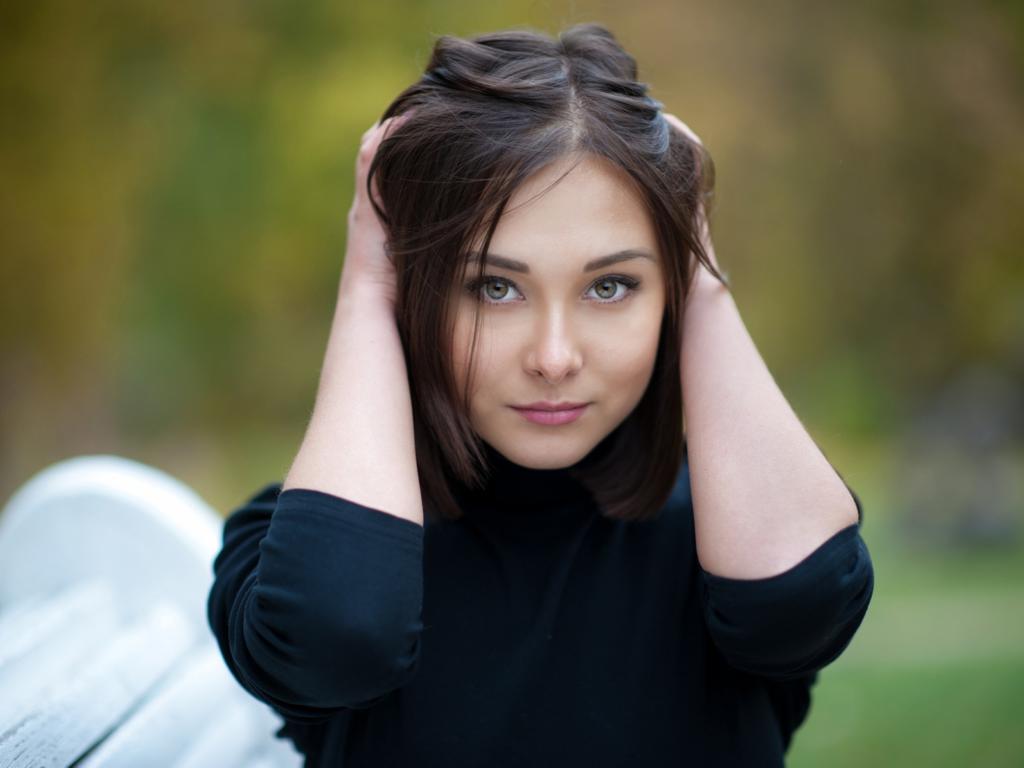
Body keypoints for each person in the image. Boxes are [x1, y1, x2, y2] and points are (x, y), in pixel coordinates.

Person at [207, 22, 874, 767]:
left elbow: (798, 604)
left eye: (610, 286)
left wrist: (703, 279)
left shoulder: (732, 530)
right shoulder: (290, 549)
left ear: (672, 293)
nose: (554, 358)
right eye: (494, 288)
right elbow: (341, 632)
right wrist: (366, 287)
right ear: (414, 291)